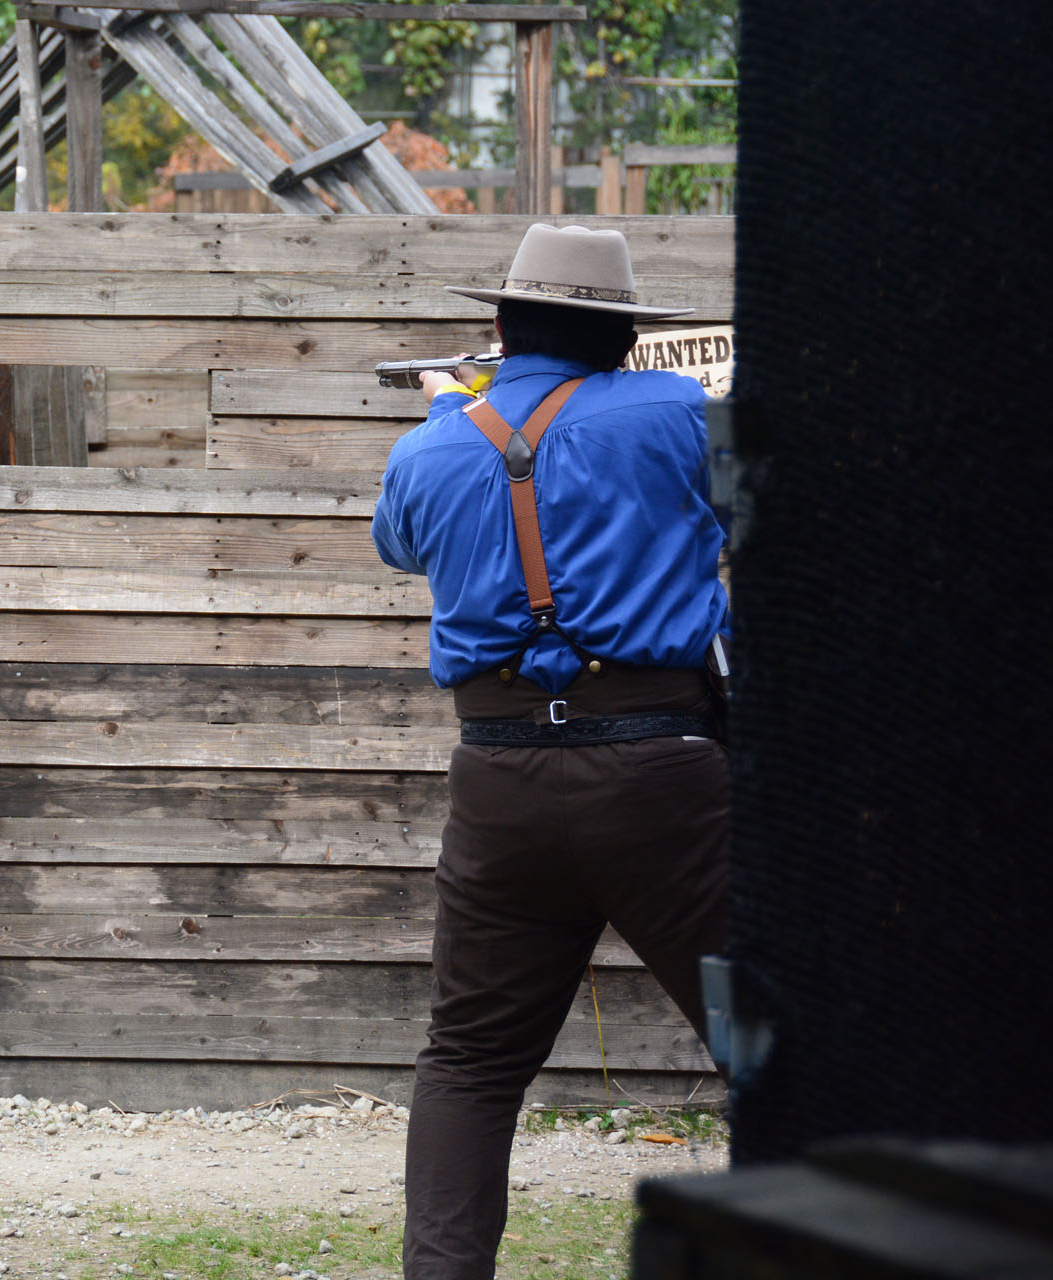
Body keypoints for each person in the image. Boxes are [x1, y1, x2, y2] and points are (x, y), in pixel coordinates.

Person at [371, 224, 731, 1280]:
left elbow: (402, 543)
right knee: (773, 1043)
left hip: (499, 778)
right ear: (622, 330)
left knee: (472, 1062)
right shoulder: (680, 414)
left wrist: (455, 409)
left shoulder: (432, 441)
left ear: (498, 323)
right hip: (662, 768)